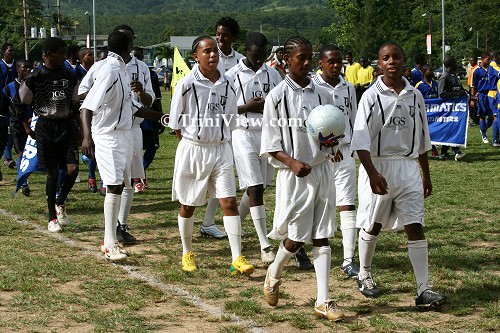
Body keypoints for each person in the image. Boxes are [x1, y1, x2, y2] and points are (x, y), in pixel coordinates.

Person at [350, 41, 447, 308]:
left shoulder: (415, 95)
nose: (391, 61)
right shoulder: (370, 96)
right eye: (385, 58)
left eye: (396, 56)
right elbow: (359, 140)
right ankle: (365, 274)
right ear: (378, 64)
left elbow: (423, 138)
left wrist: (426, 175)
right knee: (373, 224)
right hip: (379, 166)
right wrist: (371, 174)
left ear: (403, 60)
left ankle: (423, 289)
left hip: (408, 168)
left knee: (415, 225)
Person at [261, 36, 345, 321]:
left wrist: (332, 147)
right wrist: (292, 161)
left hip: (321, 171)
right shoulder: (277, 96)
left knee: (322, 236)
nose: (307, 63)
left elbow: (328, 129)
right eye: (301, 58)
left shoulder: (322, 93)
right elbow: (270, 144)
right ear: (287, 59)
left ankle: (323, 300)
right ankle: (274, 272)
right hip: (294, 176)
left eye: (310, 57)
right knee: (296, 239)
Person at [168, 36, 254, 275]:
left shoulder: (227, 83)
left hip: (221, 150)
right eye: (207, 51)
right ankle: (187, 252)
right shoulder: (186, 85)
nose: (213, 55)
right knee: (189, 205)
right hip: (194, 149)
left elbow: (232, 118)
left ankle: (237, 257)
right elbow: (176, 124)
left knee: (229, 201)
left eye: (215, 51)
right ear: (196, 56)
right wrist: (195, 141)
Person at [80, 31, 167, 261]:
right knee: (114, 186)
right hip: (107, 136)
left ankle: (115, 233)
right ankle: (109, 242)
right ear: (128, 45)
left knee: (124, 184)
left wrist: (161, 117)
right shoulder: (108, 70)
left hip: (125, 134)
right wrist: (87, 137)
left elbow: (133, 108)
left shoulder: (122, 70)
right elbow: (87, 106)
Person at [225, 32, 282, 264]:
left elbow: (280, 103)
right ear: (246, 51)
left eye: (262, 56)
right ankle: (265, 245)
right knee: (255, 187)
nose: (258, 61)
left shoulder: (274, 74)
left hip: (267, 134)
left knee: (260, 186)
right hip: (243, 133)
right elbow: (225, 112)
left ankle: (236, 220)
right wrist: (246, 107)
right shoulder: (231, 76)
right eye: (254, 55)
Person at [17, 37, 80, 233]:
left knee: (72, 169)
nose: (64, 56)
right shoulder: (35, 76)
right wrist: (27, 128)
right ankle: (52, 218)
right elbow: (20, 102)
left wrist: (80, 129)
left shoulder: (70, 76)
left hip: (66, 126)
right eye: (60, 53)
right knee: (52, 172)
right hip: (45, 127)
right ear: (49, 54)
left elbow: (76, 104)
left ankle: (60, 202)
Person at [314, 44, 360, 279]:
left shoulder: (349, 88)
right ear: (320, 63)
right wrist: (327, 146)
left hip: (345, 152)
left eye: (338, 61)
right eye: (330, 61)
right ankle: (303, 247)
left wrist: (353, 147)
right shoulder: (312, 87)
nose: (335, 65)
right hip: (319, 156)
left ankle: (348, 259)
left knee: (347, 202)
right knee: (316, 203)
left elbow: (353, 120)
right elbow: (308, 125)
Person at [200, 16, 244, 239]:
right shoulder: (207, 56)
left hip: (233, 126)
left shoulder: (241, 61)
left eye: (224, 35)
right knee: (209, 178)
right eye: (217, 34)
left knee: (225, 178)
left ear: (233, 37)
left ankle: (210, 222)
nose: (219, 38)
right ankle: (202, 220)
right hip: (210, 127)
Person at [131, 46, 163, 191]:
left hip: (149, 115)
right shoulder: (123, 71)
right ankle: (136, 177)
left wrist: (160, 116)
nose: (136, 58)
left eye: (139, 55)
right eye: (134, 55)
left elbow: (156, 98)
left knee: (152, 146)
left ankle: (141, 170)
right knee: (134, 148)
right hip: (132, 118)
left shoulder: (150, 73)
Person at [0, 59, 33, 195]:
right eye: (25, 68)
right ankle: (24, 183)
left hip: (35, 124)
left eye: (29, 68)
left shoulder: (35, 86)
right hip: (16, 125)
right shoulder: (9, 88)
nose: (28, 70)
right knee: (21, 153)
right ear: (18, 69)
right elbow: (2, 110)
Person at [437, 56, 466, 160]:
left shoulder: (455, 76)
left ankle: (446, 152)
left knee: (454, 128)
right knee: (451, 128)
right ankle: (455, 151)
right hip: (448, 109)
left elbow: (461, 89)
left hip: (457, 108)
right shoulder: (444, 77)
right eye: (455, 61)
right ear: (450, 63)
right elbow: (441, 94)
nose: (456, 63)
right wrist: (456, 93)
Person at [470, 52, 499, 144]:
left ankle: (483, 130)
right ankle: (484, 135)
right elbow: (473, 86)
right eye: (487, 59)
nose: (489, 61)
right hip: (481, 95)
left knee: (492, 117)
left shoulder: (490, 68)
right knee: (482, 116)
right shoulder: (477, 70)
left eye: (490, 59)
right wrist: (473, 98)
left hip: (491, 94)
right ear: (482, 59)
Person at [415, 65, 440, 158]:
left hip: (434, 112)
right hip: (423, 113)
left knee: (433, 130)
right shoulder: (419, 85)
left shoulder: (434, 83)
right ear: (424, 72)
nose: (432, 72)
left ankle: (434, 149)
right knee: (423, 131)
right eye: (430, 70)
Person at [0, 42, 17, 173]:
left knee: (12, 128)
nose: (12, 53)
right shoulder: (0, 66)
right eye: (10, 50)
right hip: (2, 102)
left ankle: (8, 156)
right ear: (4, 52)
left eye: (13, 51)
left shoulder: (18, 66)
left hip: (16, 102)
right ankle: (7, 157)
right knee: (4, 129)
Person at [467, 56, 479, 126]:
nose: (471, 62)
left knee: (473, 105)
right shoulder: (472, 69)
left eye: (472, 61)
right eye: (469, 61)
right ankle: (474, 119)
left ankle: (475, 120)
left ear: (476, 61)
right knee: (471, 105)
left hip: (474, 89)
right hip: (470, 88)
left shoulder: (477, 69)